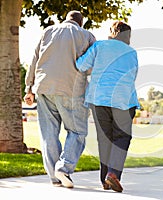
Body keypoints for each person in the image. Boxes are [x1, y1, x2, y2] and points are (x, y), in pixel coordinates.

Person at [24, 10, 96, 188]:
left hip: (43, 87)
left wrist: (28, 88)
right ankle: (63, 169)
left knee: (49, 133)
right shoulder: (87, 35)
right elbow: (93, 64)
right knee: (78, 131)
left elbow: (34, 59)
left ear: (65, 19)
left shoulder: (47, 32)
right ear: (81, 23)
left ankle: (55, 179)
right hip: (71, 89)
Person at [76, 21, 139, 192]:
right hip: (123, 101)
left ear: (112, 32)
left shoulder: (99, 46)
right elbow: (132, 75)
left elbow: (81, 65)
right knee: (121, 138)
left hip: (99, 98)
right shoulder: (132, 52)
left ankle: (105, 180)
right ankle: (112, 174)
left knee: (105, 139)